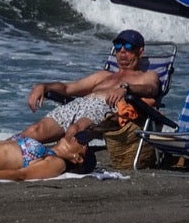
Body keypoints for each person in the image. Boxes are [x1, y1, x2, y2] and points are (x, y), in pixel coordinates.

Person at [20, 29, 162, 169]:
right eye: (118, 47)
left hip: (105, 109)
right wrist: (44, 86)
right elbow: (68, 88)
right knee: (33, 131)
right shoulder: (103, 76)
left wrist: (126, 88)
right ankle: (1, 154)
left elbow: (151, 89)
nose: (122, 51)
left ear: (140, 52)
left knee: (74, 131)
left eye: (129, 47)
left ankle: (33, 165)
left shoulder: (146, 76)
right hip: (77, 105)